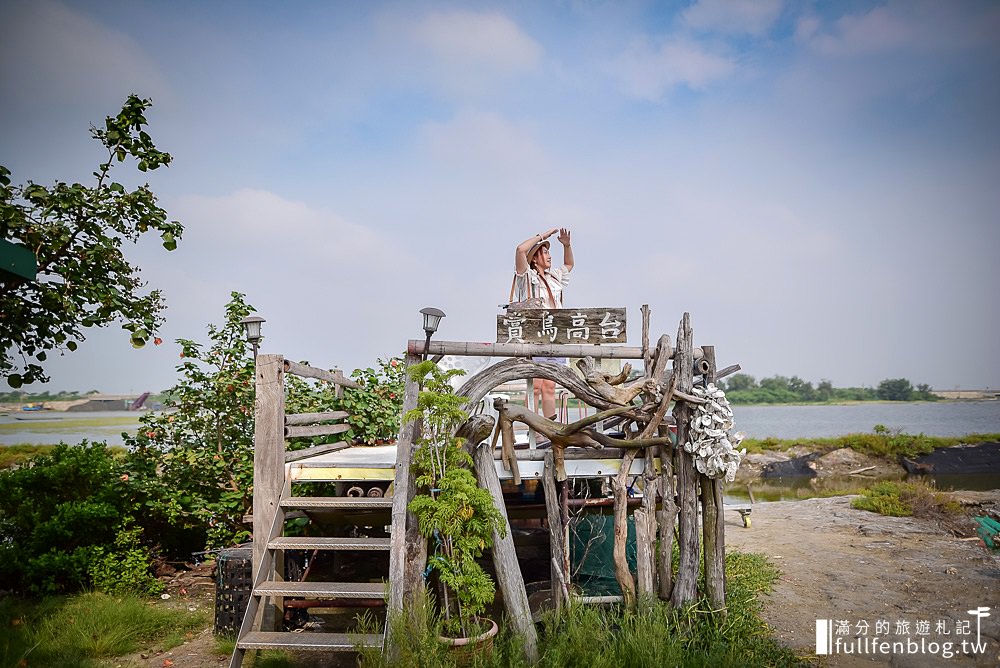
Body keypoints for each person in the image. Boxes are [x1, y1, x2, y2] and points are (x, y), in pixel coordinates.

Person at [514, 228, 574, 420]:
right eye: (545, 252)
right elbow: (520, 250)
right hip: (536, 337)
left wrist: (566, 245)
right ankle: (532, 426)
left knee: (550, 385)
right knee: (536, 385)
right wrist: (543, 236)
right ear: (534, 259)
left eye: (548, 252)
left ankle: (550, 429)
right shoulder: (528, 278)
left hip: (555, 335)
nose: (549, 256)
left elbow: (569, 264)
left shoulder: (554, 276)